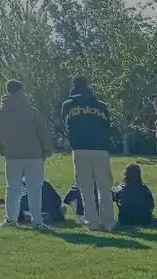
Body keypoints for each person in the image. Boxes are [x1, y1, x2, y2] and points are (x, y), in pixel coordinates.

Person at [0, 79, 54, 229]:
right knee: (34, 190)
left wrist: (4, 150)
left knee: (12, 189)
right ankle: (37, 221)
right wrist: (46, 150)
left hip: (12, 156)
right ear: (21, 91)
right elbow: (43, 132)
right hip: (33, 156)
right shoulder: (31, 111)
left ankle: (10, 219)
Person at [62, 76, 115, 232]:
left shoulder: (67, 105)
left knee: (85, 188)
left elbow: (65, 125)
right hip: (100, 149)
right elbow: (108, 125)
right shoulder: (101, 106)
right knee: (104, 188)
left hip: (79, 150)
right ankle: (109, 223)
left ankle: (92, 223)